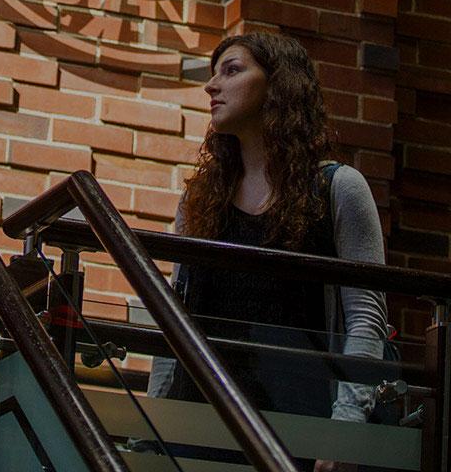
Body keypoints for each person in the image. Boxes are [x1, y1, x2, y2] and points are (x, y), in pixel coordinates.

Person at [147, 32, 387, 471]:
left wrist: (345, 428)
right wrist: (154, 424)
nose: (211, 86)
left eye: (232, 70)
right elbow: (174, 314)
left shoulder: (338, 188)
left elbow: (366, 315)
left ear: (277, 85)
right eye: (213, 73)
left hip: (298, 423)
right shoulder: (201, 198)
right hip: (201, 421)